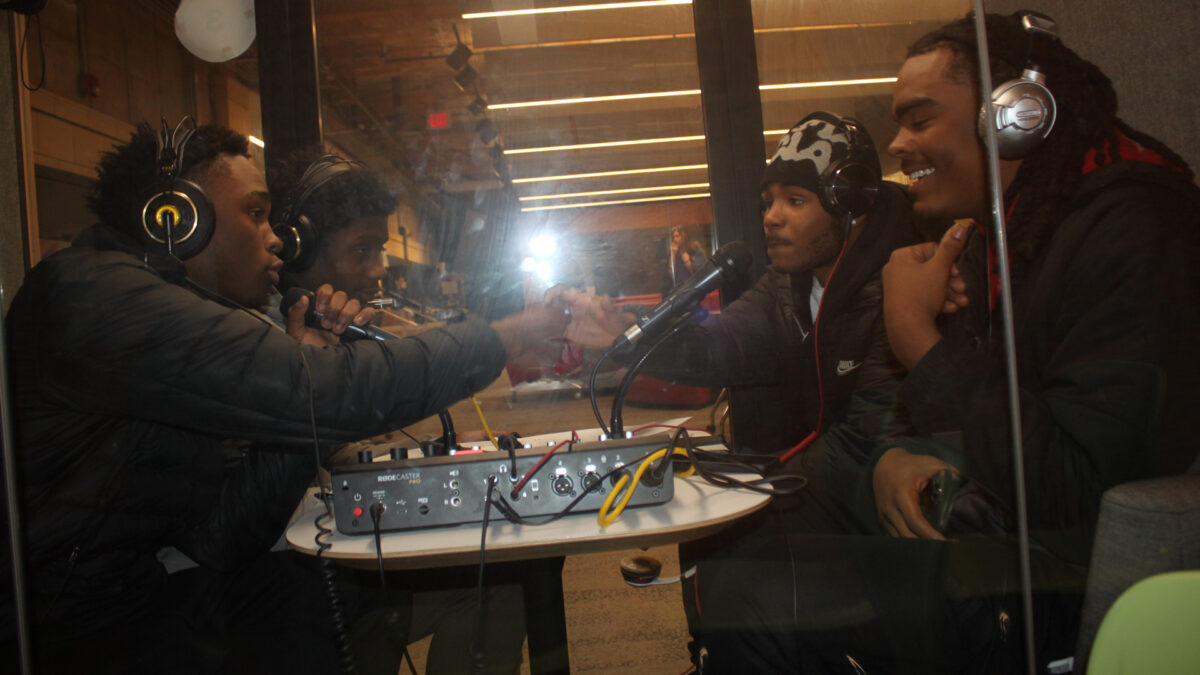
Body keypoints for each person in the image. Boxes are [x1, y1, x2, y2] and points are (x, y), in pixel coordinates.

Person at [691, 11, 1200, 673]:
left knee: (753, 591)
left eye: (920, 119)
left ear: (1016, 116)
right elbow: (943, 416)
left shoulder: (1135, 231)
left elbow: (1070, 489)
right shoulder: (1000, 233)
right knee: (741, 556)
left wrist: (920, 340)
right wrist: (893, 458)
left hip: (1057, 579)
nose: (898, 143)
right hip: (989, 533)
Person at [0, 121, 566, 673]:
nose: (273, 237)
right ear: (178, 220)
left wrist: (307, 383)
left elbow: (219, 537)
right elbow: (320, 393)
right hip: (74, 629)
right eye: (254, 213)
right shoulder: (98, 299)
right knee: (320, 599)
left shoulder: (154, 311)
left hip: (126, 599)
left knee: (335, 593)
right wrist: (509, 335)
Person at [266, 149, 528, 674]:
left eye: (380, 249)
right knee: (499, 580)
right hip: (293, 593)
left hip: (334, 569)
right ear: (302, 251)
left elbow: (344, 439)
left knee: (504, 566)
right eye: (362, 250)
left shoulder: (326, 326)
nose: (379, 269)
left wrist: (431, 455)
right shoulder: (269, 342)